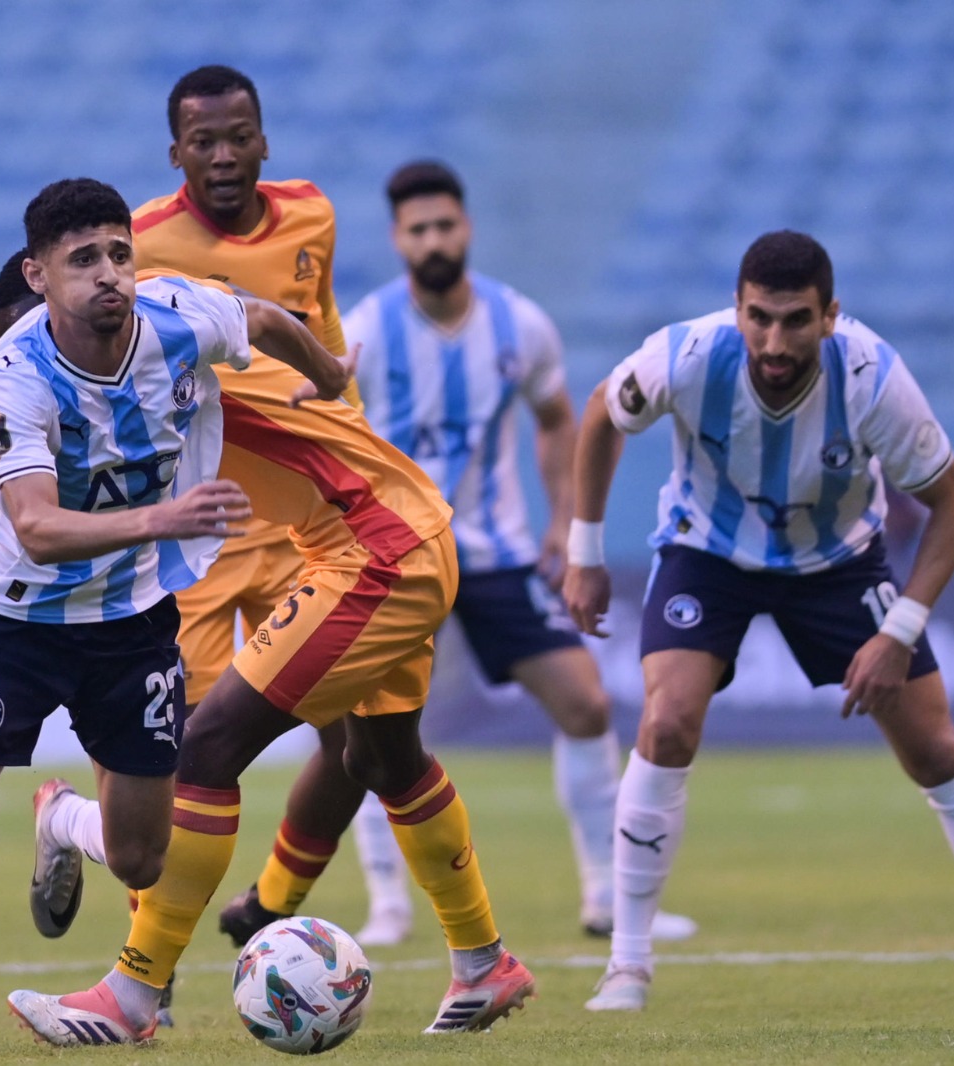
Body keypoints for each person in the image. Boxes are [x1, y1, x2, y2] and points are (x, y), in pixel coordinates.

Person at [0, 177, 352, 1057]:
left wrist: (329, 376)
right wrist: (163, 518)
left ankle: (59, 819)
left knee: (141, 860)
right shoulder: (10, 380)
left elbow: (266, 320)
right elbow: (38, 527)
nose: (109, 275)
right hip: (15, 625)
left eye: (119, 254)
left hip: (132, 622)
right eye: (83, 259)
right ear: (40, 274)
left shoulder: (179, 317)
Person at [563, 229, 954, 1012]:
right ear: (737, 308)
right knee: (667, 722)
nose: (774, 341)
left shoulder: (873, 380)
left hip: (838, 564)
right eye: (759, 318)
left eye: (796, 320)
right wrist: (584, 553)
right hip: (707, 552)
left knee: (935, 749)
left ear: (830, 316)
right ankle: (627, 965)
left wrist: (899, 632)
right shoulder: (685, 356)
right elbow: (600, 413)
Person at [5, 274, 537, 1046]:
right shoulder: (145, 334)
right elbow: (259, 320)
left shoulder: (147, 349)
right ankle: (483, 962)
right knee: (384, 760)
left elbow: (254, 319)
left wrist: (326, 371)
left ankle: (132, 997)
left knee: (206, 750)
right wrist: (326, 370)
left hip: (376, 551)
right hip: (388, 532)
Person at [237, 159, 693, 946]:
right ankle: (388, 905)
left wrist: (561, 523)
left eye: (445, 225)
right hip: (391, 553)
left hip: (493, 555)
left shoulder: (521, 325)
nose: (434, 241)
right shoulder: (369, 329)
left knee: (585, 704)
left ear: (467, 227)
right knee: (369, 732)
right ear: (398, 239)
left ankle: (604, 895)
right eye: (418, 230)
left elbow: (556, 418)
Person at [126, 64, 380, 957]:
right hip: (195, 529)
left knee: (360, 740)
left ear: (264, 140)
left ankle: (271, 901)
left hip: (305, 530)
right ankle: (147, 962)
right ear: (176, 153)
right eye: (205, 142)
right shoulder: (140, 243)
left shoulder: (312, 213)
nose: (225, 156)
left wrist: (349, 428)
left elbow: (323, 334)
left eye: (240, 137)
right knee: (177, 753)